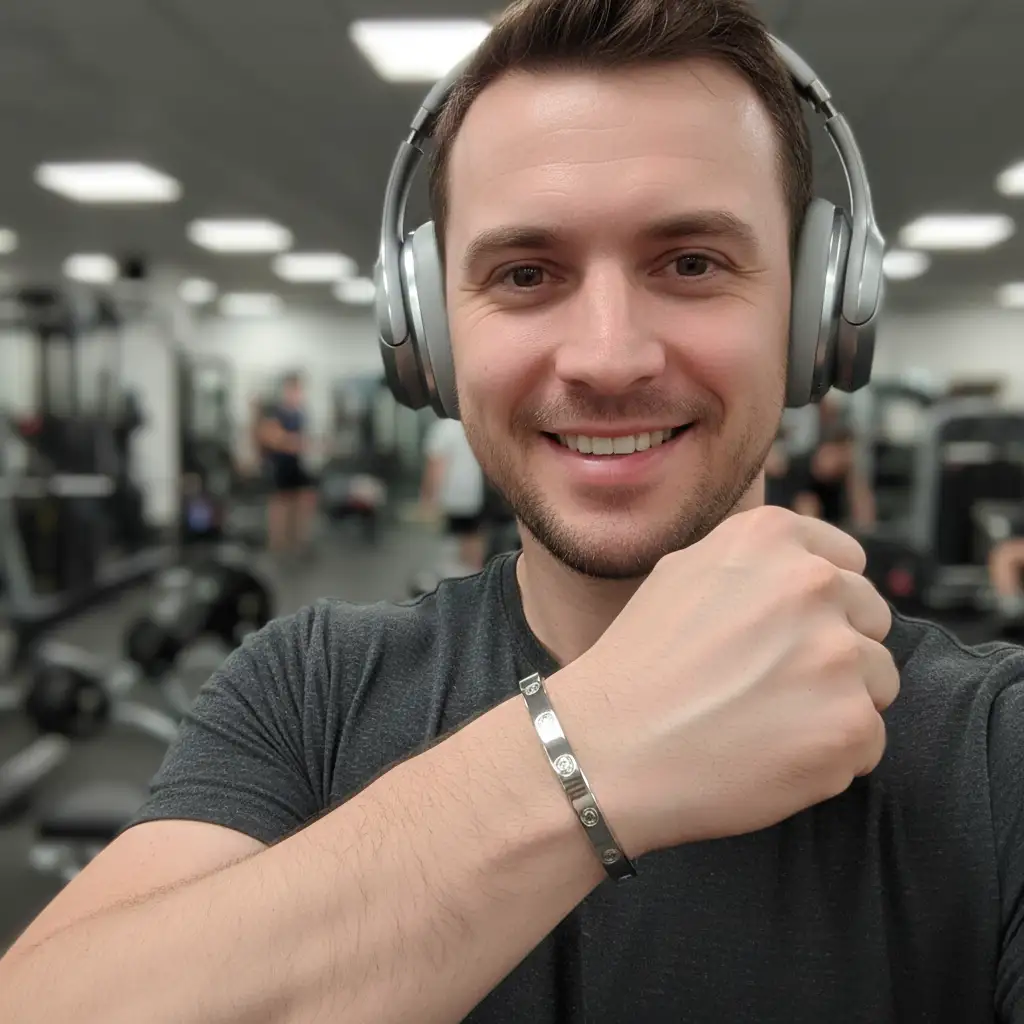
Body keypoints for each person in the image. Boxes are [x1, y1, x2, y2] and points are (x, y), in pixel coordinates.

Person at [2, 3, 1022, 1022]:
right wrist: (595, 745)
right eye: (526, 274)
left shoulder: (994, 751)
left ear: (815, 311)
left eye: (691, 263)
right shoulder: (309, 689)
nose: (608, 358)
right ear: (428, 336)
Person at [791, 402, 877, 529]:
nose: (840, 463)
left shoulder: (842, 481)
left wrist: (854, 479)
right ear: (825, 449)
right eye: (838, 456)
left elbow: (866, 523)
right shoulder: (798, 470)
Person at [259, 372, 318, 555]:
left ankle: (298, 541)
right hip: (278, 464)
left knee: (305, 498)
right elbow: (271, 437)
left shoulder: (300, 414)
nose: (297, 394)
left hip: (295, 463)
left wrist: (296, 443)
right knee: (281, 503)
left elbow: (300, 441)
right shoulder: (276, 412)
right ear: (286, 390)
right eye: (293, 389)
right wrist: (293, 442)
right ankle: (278, 544)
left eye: (299, 390)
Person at [421, 416, 487, 573]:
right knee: (473, 537)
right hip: (478, 494)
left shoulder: (442, 429)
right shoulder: (477, 423)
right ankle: (475, 574)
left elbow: (436, 466)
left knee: (452, 541)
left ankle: (457, 575)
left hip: (453, 496)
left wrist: (428, 497)